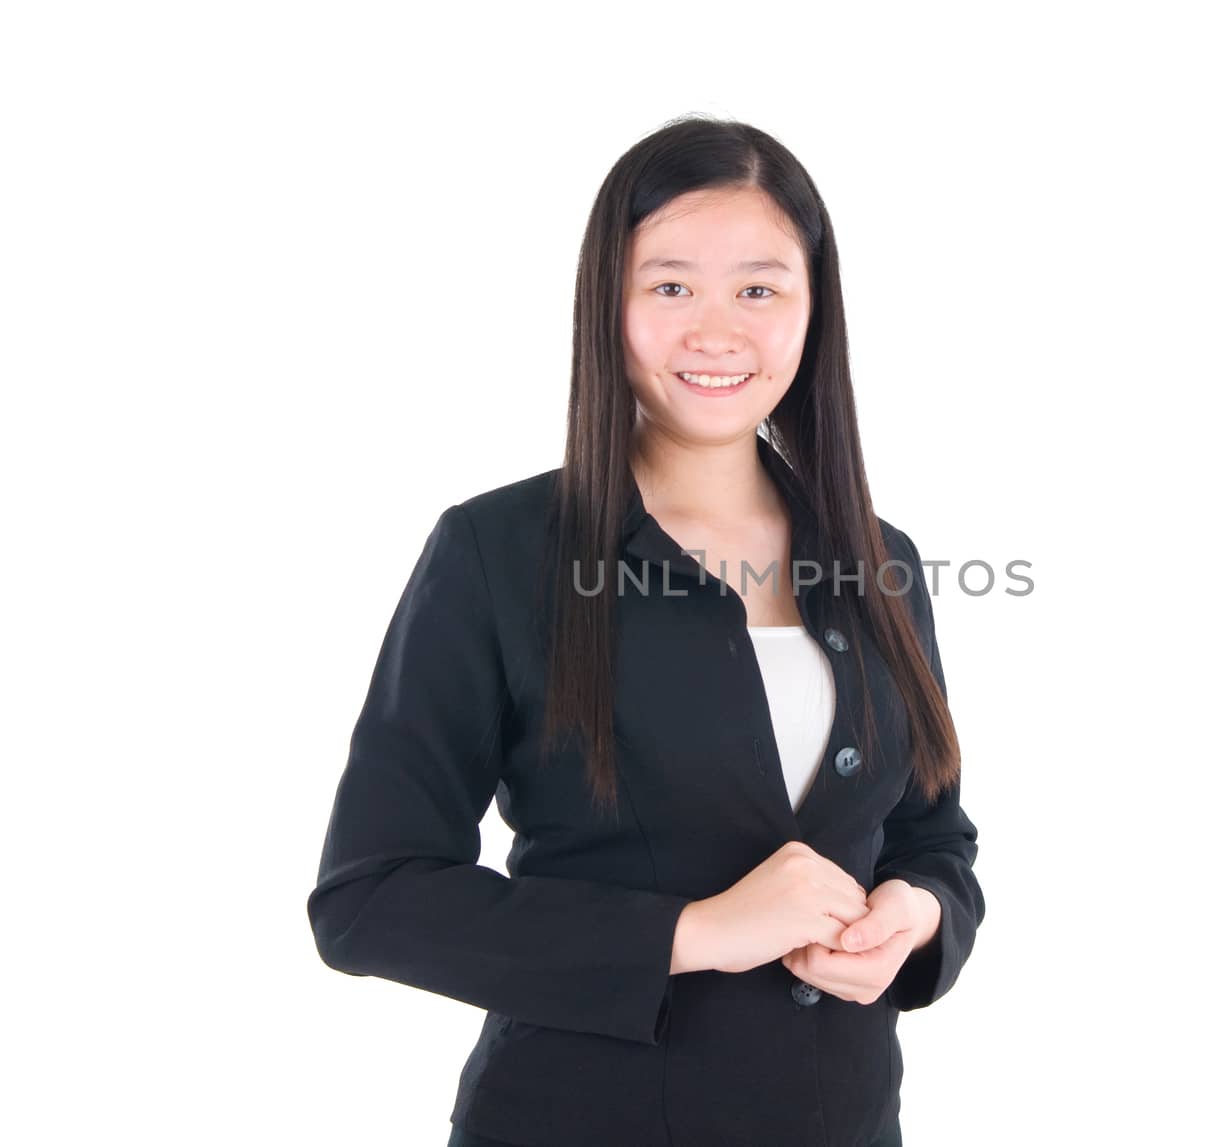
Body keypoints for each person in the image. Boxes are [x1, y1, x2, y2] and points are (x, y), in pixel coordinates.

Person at [306, 114, 985, 1147]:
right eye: (670, 287)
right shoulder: (496, 550)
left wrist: (921, 913)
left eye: (758, 289)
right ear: (608, 307)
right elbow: (370, 898)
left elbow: (934, 836)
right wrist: (693, 933)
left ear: (812, 312)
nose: (716, 332)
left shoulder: (879, 558)